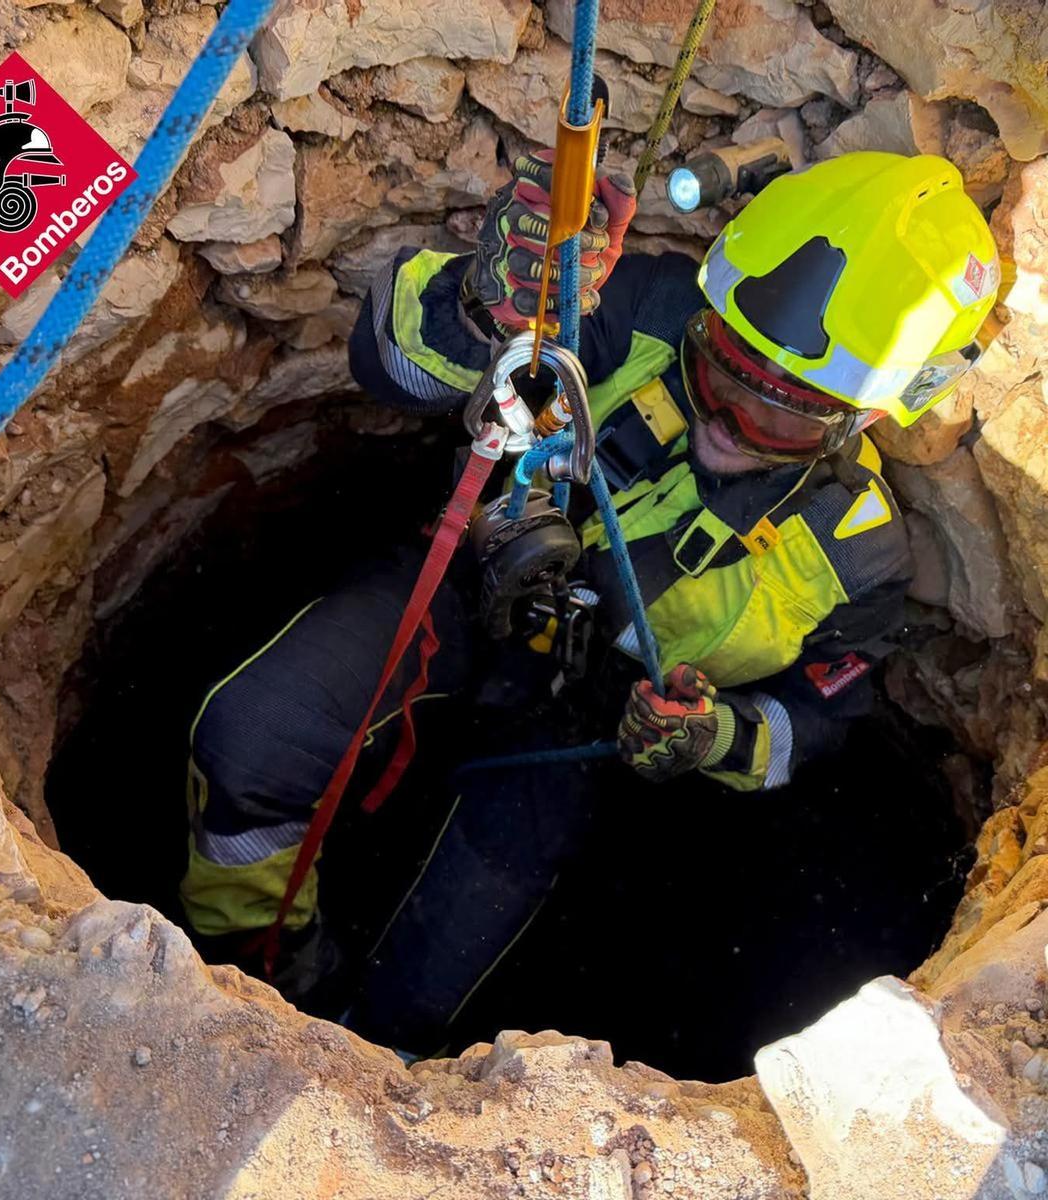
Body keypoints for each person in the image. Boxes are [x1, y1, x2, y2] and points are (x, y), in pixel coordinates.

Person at [178, 149, 999, 1052]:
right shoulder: (645, 309)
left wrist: (710, 735)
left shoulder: (861, 550)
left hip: (580, 731)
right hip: (465, 589)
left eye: (783, 412)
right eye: (722, 369)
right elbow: (395, 368)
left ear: (869, 416)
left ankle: (361, 1058)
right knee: (252, 735)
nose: (727, 418)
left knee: (429, 983)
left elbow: (816, 720)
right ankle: (239, 975)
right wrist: (483, 307)